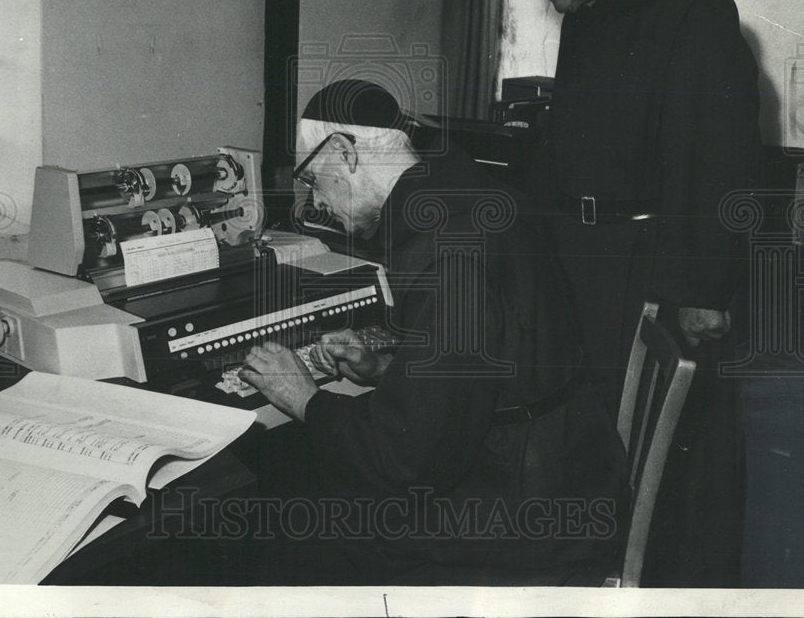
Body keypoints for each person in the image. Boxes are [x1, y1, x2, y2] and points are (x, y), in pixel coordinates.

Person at [239, 79, 628, 585]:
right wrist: (388, 370)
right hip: (569, 465)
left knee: (296, 527)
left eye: (313, 180)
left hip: (532, 510)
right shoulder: (477, 194)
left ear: (344, 152)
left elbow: (410, 459)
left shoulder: (445, 249)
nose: (315, 202)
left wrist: (306, 398)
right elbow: (491, 359)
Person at [507, 0, 764, 587]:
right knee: (593, 447)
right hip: (584, 259)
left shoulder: (696, 11)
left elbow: (719, 164)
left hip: (652, 268)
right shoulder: (586, 13)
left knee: (665, 457)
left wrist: (700, 292)